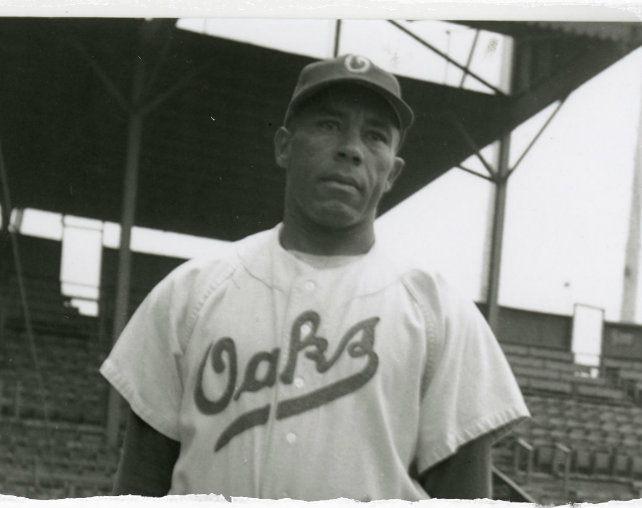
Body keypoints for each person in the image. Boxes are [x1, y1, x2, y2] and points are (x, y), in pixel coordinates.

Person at [100, 53, 530, 501]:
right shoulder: (190, 293)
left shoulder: (440, 312)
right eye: (328, 125)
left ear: (392, 173)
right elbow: (139, 486)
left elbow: (464, 495)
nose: (350, 148)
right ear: (284, 146)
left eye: (376, 136)